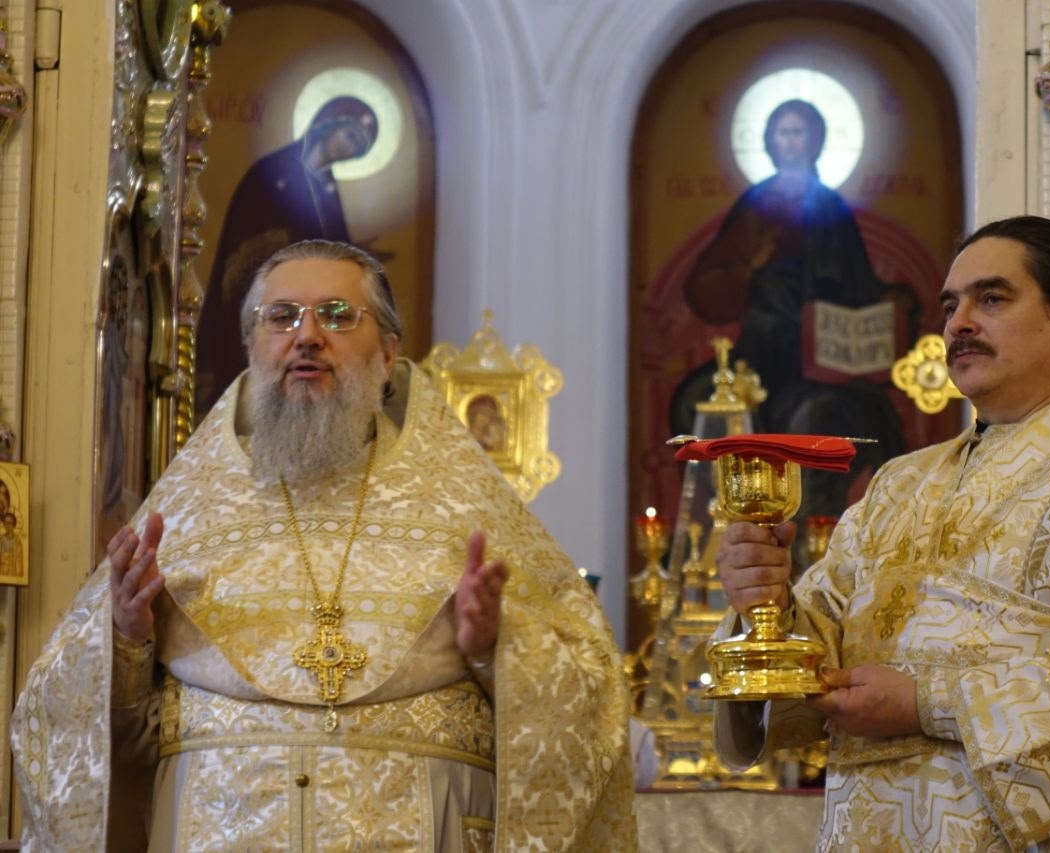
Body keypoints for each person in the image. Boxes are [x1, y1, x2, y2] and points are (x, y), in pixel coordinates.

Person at [11, 240, 637, 850]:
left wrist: (494, 649)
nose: (306, 335)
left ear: (388, 353)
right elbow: (82, 720)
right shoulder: (186, 512)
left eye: (338, 315)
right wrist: (127, 639)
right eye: (281, 316)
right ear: (252, 347)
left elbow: (589, 697)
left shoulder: (462, 506)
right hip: (214, 827)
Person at [712, 215, 1050, 850]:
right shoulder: (901, 482)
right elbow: (818, 652)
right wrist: (767, 605)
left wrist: (926, 703)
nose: (958, 323)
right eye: (949, 306)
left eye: (991, 299)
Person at [675, 98, 906, 521]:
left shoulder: (833, 208)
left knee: (830, 414)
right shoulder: (756, 204)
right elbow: (708, 283)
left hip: (824, 356)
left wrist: (893, 302)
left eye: (799, 132)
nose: (791, 142)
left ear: (815, 140)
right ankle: (725, 522)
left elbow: (860, 284)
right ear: (769, 142)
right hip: (765, 346)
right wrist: (748, 268)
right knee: (694, 400)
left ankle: (812, 533)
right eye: (783, 133)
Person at [194, 96, 380, 421]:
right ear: (327, 125)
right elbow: (248, 244)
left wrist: (355, 260)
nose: (349, 150)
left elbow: (331, 248)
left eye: (357, 149)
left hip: (309, 321)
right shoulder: (273, 174)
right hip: (269, 307)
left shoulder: (326, 188)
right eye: (350, 137)